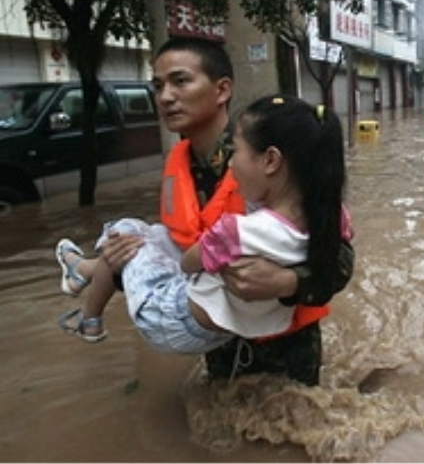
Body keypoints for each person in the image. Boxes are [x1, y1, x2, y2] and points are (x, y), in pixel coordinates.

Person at [58, 37, 354, 386]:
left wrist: (289, 282)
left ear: (222, 89)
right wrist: (120, 261)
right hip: (214, 336)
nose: (166, 96)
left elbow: (339, 257)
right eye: (158, 85)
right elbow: (183, 256)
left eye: (180, 81)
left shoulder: (266, 158)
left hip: (285, 347)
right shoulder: (179, 164)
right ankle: (92, 269)